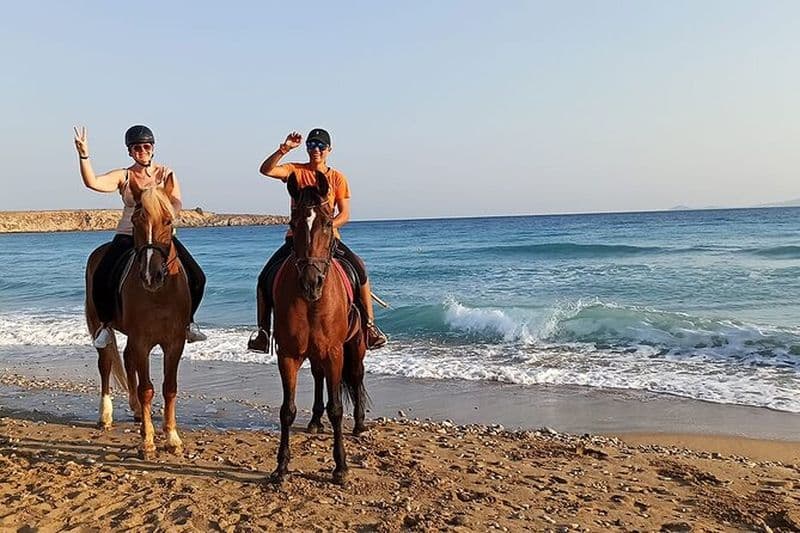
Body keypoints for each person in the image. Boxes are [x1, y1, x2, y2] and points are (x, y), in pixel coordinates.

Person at [249, 128, 387, 352]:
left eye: (321, 146)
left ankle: (370, 327)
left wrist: (326, 227)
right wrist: (283, 149)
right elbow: (266, 170)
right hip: (296, 241)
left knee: (359, 268)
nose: (316, 150)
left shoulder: (337, 178)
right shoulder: (295, 171)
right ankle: (263, 333)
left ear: (329, 150)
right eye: (312, 146)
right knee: (264, 277)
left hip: (327, 240)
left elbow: (344, 213)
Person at [74, 125, 207, 347]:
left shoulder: (166, 174)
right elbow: (93, 183)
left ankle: (189, 323)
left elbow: (176, 201)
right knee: (102, 275)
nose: (141, 151)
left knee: (198, 277)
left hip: (161, 237)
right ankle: (106, 324)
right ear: (130, 151)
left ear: (152, 148)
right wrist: (84, 155)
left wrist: (167, 215)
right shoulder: (123, 175)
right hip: (129, 234)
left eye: (146, 146)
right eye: (136, 148)